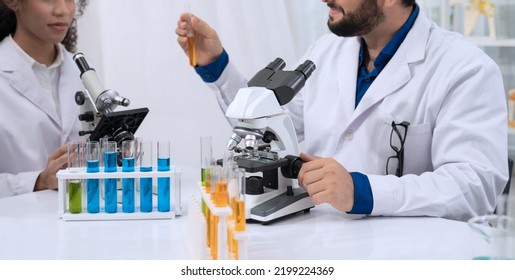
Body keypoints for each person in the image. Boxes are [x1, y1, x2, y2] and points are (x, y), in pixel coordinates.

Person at [175, 0, 508, 221]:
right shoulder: (326, 51)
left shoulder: (465, 69)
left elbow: (474, 186)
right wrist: (217, 66)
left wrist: (363, 191)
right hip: (321, 244)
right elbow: (272, 129)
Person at [0, 0, 88, 198]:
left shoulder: (81, 71)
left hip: (77, 222)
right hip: (12, 224)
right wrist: (38, 180)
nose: (63, 10)